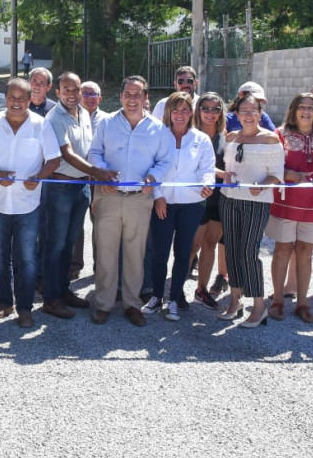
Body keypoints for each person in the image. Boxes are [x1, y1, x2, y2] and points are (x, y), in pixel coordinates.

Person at [0, 78, 61, 328]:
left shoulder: (40, 125)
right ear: (5, 98)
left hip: (28, 203)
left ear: (29, 100)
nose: (16, 102)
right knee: (1, 256)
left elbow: (53, 159)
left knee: (27, 259)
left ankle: (25, 308)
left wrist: (39, 177)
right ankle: (4, 302)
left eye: (22, 98)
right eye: (12, 97)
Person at [87, 75, 173, 326]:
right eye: (127, 94)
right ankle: (103, 304)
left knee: (135, 254)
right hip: (108, 195)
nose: (132, 99)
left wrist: (153, 177)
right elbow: (95, 152)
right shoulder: (107, 123)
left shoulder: (158, 128)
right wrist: (102, 173)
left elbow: (165, 160)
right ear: (121, 96)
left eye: (137, 95)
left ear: (146, 98)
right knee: (106, 252)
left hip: (139, 199)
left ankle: (132, 305)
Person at [266, 93, 313, 324]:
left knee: (306, 251)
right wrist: (291, 174)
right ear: (294, 110)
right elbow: (270, 166)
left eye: (311, 107)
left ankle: (302, 303)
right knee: (283, 249)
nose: (306, 111)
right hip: (286, 201)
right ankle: (278, 301)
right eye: (302, 107)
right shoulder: (280, 134)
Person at [141, 92, 215, 321]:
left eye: (184, 110)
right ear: (168, 112)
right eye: (175, 110)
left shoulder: (201, 139)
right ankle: (156, 297)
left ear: (191, 112)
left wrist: (208, 184)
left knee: (183, 253)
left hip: (191, 205)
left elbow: (207, 169)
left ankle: (174, 299)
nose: (180, 114)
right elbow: (150, 168)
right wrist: (158, 196)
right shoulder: (158, 136)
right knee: (160, 252)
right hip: (163, 203)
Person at [218, 92, 284, 328]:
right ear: (236, 114)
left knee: (248, 251)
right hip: (229, 199)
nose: (248, 115)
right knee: (232, 249)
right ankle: (235, 300)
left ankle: (258, 305)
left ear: (260, 113)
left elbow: (277, 174)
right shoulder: (231, 137)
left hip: (257, 203)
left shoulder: (270, 139)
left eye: (253, 111)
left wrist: (262, 185)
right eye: (243, 111)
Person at [39, 72, 101, 319]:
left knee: (68, 244)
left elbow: (89, 148)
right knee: (55, 244)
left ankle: (63, 290)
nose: (72, 94)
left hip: (81, 187)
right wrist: (97, 172)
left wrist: (92, 174)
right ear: (57, 93)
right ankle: (50, 298)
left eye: (76, 89)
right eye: (67, 90)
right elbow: (67, 154)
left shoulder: (84, 113)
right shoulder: (55, 117)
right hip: (60, 188)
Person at [189, 92, 230, 308]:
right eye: (205, 108)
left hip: (219, 199)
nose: (210, 113)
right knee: (193, 245)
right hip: (198, 197)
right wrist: (224, 174)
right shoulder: (191, 135)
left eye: (215, 109)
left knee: (210, 244)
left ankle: (201, 289)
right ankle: (176, 292)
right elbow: (198, 165)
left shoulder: (225, 136)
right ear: (198, 110)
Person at [70, 80, 109, 280]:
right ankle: (74, 265)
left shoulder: (108, 120)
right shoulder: (70, 117)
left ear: (100, 98)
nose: (89, 97)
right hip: (76, 177)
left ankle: (100, 265)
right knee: (76, 223)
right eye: (85, 93)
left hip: (99, 180)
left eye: (94, 94)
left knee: (100, 224)